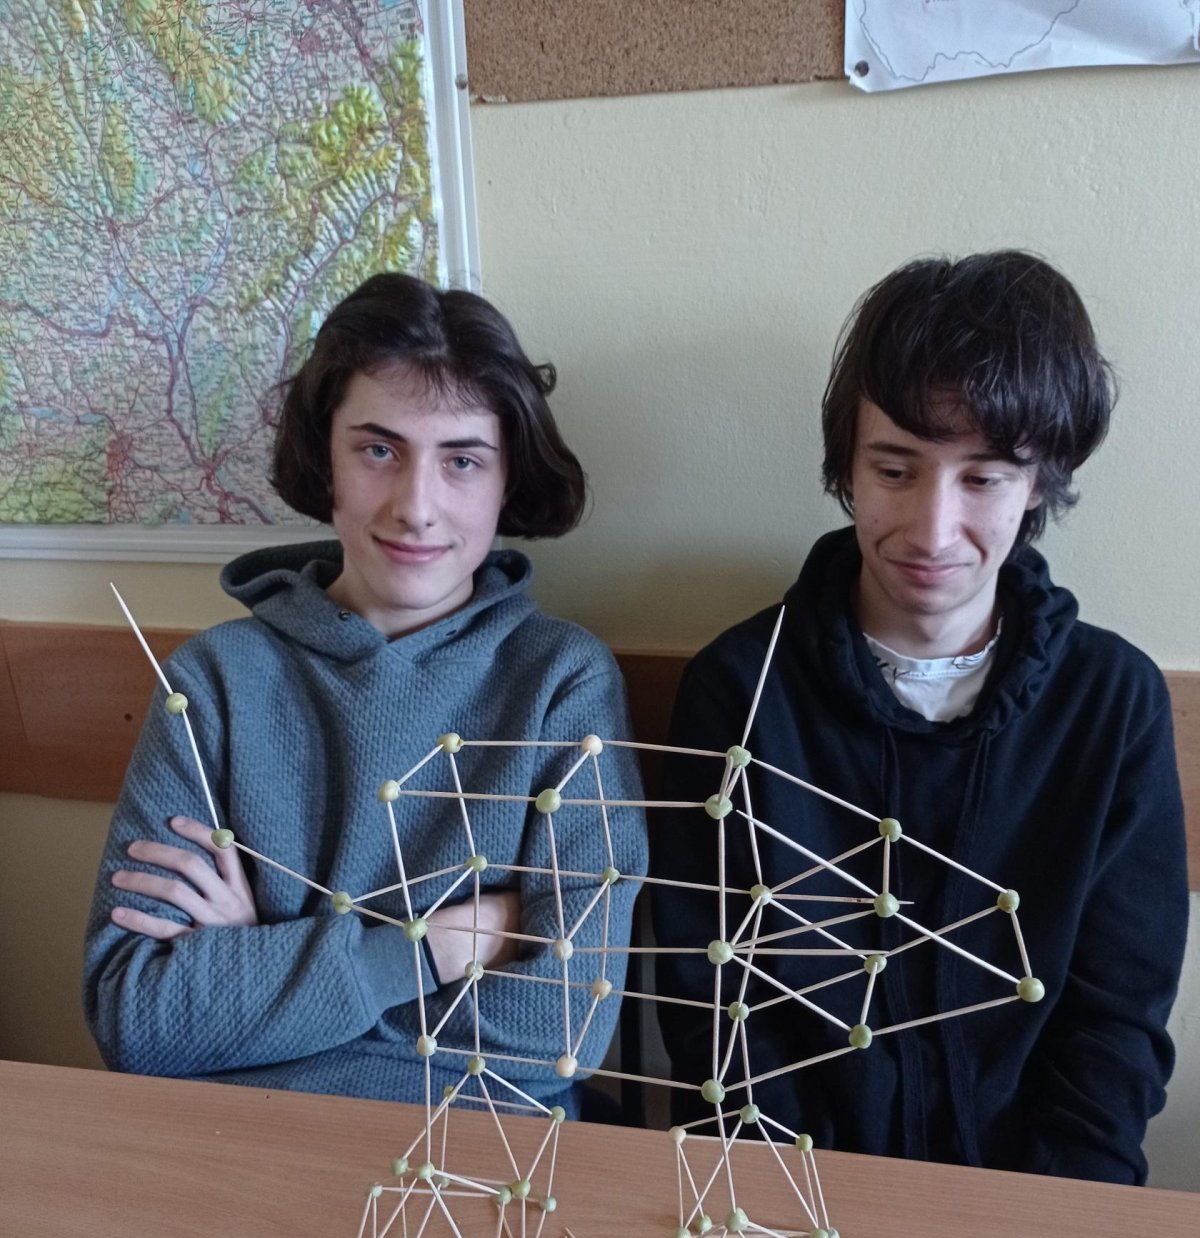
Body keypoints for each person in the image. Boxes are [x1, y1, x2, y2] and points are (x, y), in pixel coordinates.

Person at [654, 251, 1187, 1183]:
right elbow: (714, 1008)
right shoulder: (740, 689)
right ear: (848, 468)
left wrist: (1054, 1221)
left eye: (984, 479)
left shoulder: (1113, 703)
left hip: (1042, 1207)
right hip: (788, 1202)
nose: (932, 530)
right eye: (896, 469)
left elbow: (1113, 1031)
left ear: (1040, 482)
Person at [84, 273, 645, 1115]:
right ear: (327, 460)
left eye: (462, 461)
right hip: (229, 1137)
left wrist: (261, 971)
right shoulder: (213, 683)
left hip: (475, 1155)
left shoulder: (563, 682)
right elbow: (134, 1016)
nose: (417, 507)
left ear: (507, 481)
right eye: (379, 451)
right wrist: (441, 946)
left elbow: (563, 1029)